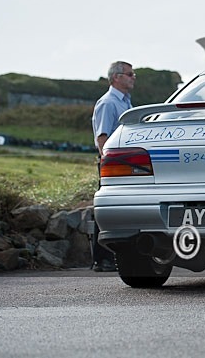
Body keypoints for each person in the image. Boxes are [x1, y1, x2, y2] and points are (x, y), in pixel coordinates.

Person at [90, 61, 136, 271]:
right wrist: (107, 164)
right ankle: (102, 259)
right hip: (113, 165)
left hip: (126, 165)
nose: (133, 77)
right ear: (116, 77)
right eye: (129, 74)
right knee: (107, 208)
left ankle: (114, 257)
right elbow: (102, 137)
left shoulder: (126, 103)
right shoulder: (108, 103)